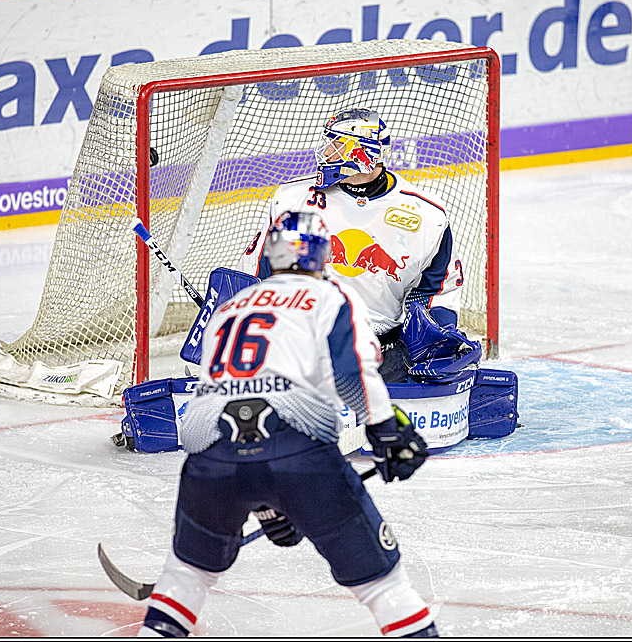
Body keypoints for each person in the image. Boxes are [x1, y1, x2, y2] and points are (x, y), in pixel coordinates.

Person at [138, 211, 437, 637]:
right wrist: (389, 434)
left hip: (210, 458)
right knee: (383, 587)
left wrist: (264, 501)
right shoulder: (332, 296)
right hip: (299, 454)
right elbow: (354, 374)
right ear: (323, 255)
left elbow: (227, 394)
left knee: (186, 578)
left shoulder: (228, 308)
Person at [238, 107, 467, 383]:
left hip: (384, 354)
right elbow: (255, 275)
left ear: (362, 152)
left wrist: (437, 333)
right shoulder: (291, 200)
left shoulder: (428, 215)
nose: (326, 154)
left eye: (336, 145)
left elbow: (438, 289)